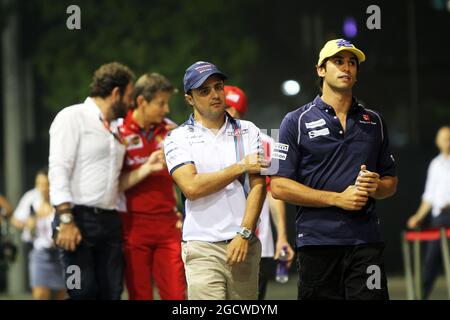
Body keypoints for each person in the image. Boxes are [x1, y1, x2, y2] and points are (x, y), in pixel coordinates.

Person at [270, 39, 398, 300]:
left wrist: (377, 186)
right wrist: (337, 199)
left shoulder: (374, 121)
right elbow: (278, 186)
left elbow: (391, 183)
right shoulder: (294, 120)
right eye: (338, 61)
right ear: (320, 70)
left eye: (352, 63)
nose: (347, 68)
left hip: (366, 243)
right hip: (317, 243)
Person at [163, 61, 267, 300]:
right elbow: (191, 187)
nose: (214, 94)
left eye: (218, 86)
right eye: (204, 90)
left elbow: (259, 187)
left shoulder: (250, 130)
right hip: (201, 246)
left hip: (245, 243)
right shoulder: (176, 137)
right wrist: (240, 166)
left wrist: (244, 233)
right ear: (189, 98)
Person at [48, 62, 135, 300]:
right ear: (115, 93)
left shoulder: (117, 129)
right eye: (129, 96)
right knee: (81, 292)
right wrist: (65, 218)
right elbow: (59, 169)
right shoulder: (72, 116)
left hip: (109, 220)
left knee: (112, 293)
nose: (131, 103)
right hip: (76, 218)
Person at [117, 72, 186, 300]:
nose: (166, 109)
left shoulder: (173, 131)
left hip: (168, 224)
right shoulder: (118, 132)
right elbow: (111, 185)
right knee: (140, 295)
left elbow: (189, 177)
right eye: (160, 103)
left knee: (176, 295)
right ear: (141, 102)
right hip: (133, 225)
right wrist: (145, 169)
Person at [224, 85, 295, 299]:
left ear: (236, 110)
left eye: (226, 106)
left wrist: (282, 237)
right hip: (217, 238)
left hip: (258, 243)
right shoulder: (204, 140)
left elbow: (275, 193)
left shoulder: (266, 142)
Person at [407, 126, 450, 299]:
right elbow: (429, 197)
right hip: (439, 219)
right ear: (437, 142)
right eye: (444, 138)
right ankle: (420, 296)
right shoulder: (435, 164)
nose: (447, 141)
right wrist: (418, 217)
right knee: (430, 262)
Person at [11, 169, 66, 300]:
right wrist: (27, 224)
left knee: (66, 292)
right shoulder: (31, 197)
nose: (42, 188)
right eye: (39, 184)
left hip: (63, 253)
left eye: (46, 184)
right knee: (40, 294)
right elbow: (15, 219)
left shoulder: (62, 198)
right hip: (40, 252)